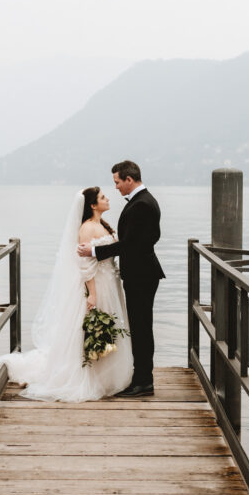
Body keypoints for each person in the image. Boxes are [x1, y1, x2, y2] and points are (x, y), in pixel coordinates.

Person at [0, 187, 133, 402]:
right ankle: (89, 375)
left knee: (108, 329)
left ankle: (107, 375)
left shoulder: (102, 225)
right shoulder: (86, 228)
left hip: (109, 282)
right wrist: (92, 294)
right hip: (98, 285)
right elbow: (85, 265)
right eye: (103, 197)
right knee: (92, 330)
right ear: (93, 205)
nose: (108, 198)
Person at [77, 160, 164, 397]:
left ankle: (144, 381)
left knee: (142, 328)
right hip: (142, 273)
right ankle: (141, 377)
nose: (115, 187)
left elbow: (131, 245)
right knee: (140, 326)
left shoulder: (142, 204)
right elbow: (144, 240)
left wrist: (95, 251)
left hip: (141, 275)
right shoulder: (143, 201)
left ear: (129, 179)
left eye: (117, 182)